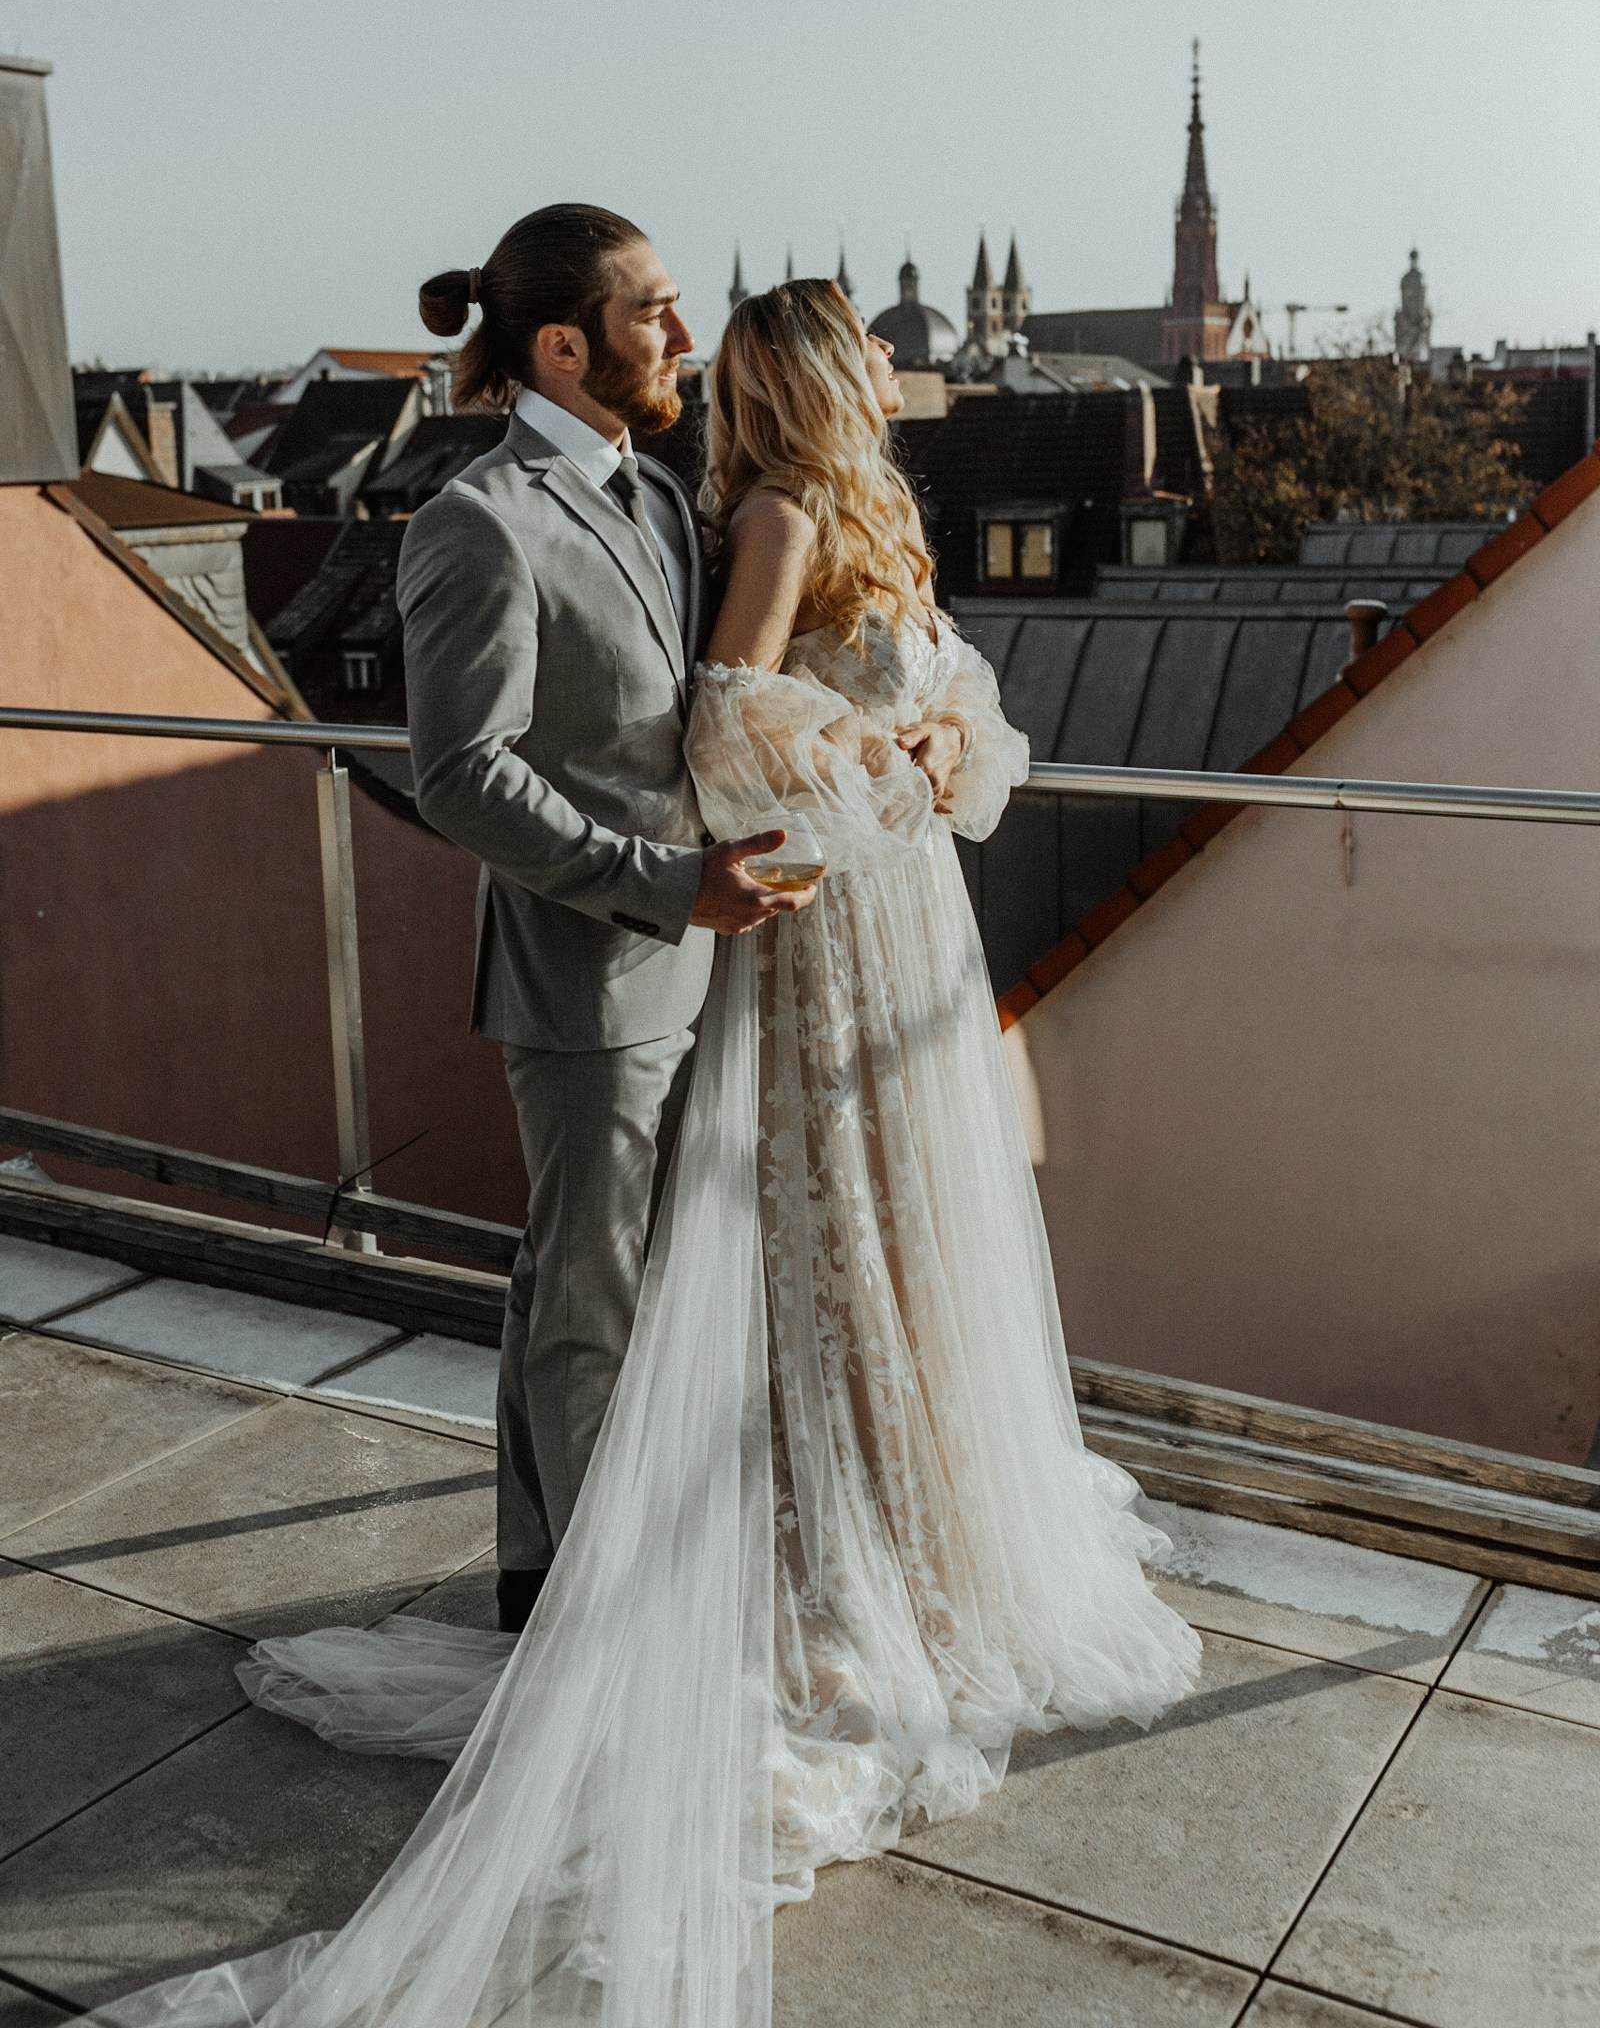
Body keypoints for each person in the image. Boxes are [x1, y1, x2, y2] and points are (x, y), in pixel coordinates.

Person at [86, 270, 1199, 2028]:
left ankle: (828, 1540)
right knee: (664, 1269)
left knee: (869, 1241)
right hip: (780, 925)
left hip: (898, 920)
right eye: (868, 342)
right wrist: (867, 764)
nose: (894, 360)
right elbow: (717, 726)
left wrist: (935, 745)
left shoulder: (810, 511)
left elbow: (960, 710)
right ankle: (609, 1610)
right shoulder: (736, 517)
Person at [398, 204, 819, 1634]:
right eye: (654, 312)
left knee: (566, 1279)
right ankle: (603, 1642)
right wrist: (664, 885)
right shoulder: (479, 523)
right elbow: (461, 775)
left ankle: (539, 1577)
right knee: (595, 1310)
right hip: (583, 978)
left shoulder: (660, 499)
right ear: (563, 347)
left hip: (687, 962)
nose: (686, 336)